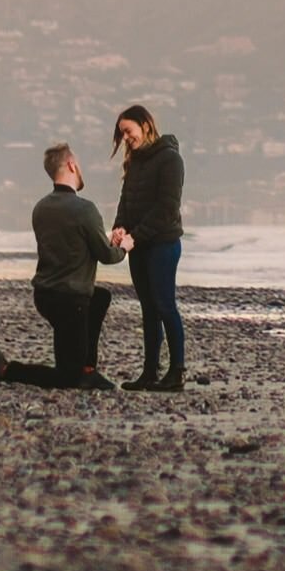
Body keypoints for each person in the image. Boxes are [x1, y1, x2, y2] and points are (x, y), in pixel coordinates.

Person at [0, 141, 120, 390]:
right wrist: (124, 246)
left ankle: (87, 369)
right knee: (67, 378)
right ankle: (3, 368)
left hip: (46, 297)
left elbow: (72, 248)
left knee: (100, 297)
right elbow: (107, 256)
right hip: (71, 302)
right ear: (71, 165)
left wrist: (106, 242)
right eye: (77, 163)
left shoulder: (41, 208)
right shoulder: (85, 209)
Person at [110, 103, 187, 392]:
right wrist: (119, 228)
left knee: (165, 306)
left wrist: (137, 237)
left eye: (128, 131)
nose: (126, 138)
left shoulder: (170, 159)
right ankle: (149, 372)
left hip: (163, 244)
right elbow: (126, 200)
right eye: (122, 134)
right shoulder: (135, 160)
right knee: (148, 310)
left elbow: (167, 208)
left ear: (145, 125)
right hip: (138, 245)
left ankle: (176, 372)